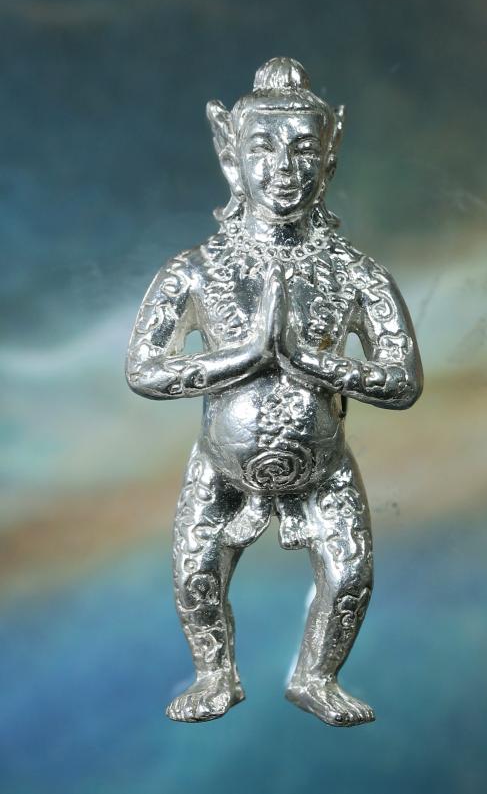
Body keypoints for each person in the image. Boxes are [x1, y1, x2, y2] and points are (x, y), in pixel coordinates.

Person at [126, 57, 423, 727]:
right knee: (195, 568)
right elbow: (143, 368)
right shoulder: (198, 269)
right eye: (263, 146)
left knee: (349, 575)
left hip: (325, 463)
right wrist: (241, 358)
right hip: (220, 463)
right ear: (231, 156)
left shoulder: (356, 274)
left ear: (330, 158)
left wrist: (314, 363)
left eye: (303, 148)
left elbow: (403, 378)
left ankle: (317, 676)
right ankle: (215, 674)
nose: (284, 167)